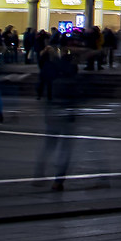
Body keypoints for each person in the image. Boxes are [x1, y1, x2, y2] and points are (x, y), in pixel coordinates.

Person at [38, 49, 83, 190]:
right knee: (65, 147)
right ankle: (59, 180)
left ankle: (39, 173)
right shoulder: (72, 70)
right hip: (68, 110)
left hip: (52, 108)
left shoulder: (49, 67)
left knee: (49, 144)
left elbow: (40, 86)